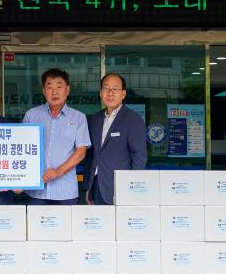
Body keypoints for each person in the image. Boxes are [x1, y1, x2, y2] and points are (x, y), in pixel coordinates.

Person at [23, 68, 91, 205]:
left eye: (59, 86)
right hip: (36, 189)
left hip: (65, 191)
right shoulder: (32, 115)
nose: (54, 92)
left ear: (67, 90)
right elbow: (23, 150)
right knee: (35, 226)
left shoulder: (78, 118)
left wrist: (58, 171)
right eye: (50, 87)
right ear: (43, 91)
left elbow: (81, 152)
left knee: (65, 226)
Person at [84, 73, 148, 205]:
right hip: (97, 186)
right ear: (101, 93)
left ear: (123, 94)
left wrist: (131, 188)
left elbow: (139, 156)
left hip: (120, 187)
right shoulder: (95, 119)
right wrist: (87, 187)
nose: (110, 93)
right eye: (106, 88)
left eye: (115, 88)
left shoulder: (133, 119)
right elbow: (90, 156)